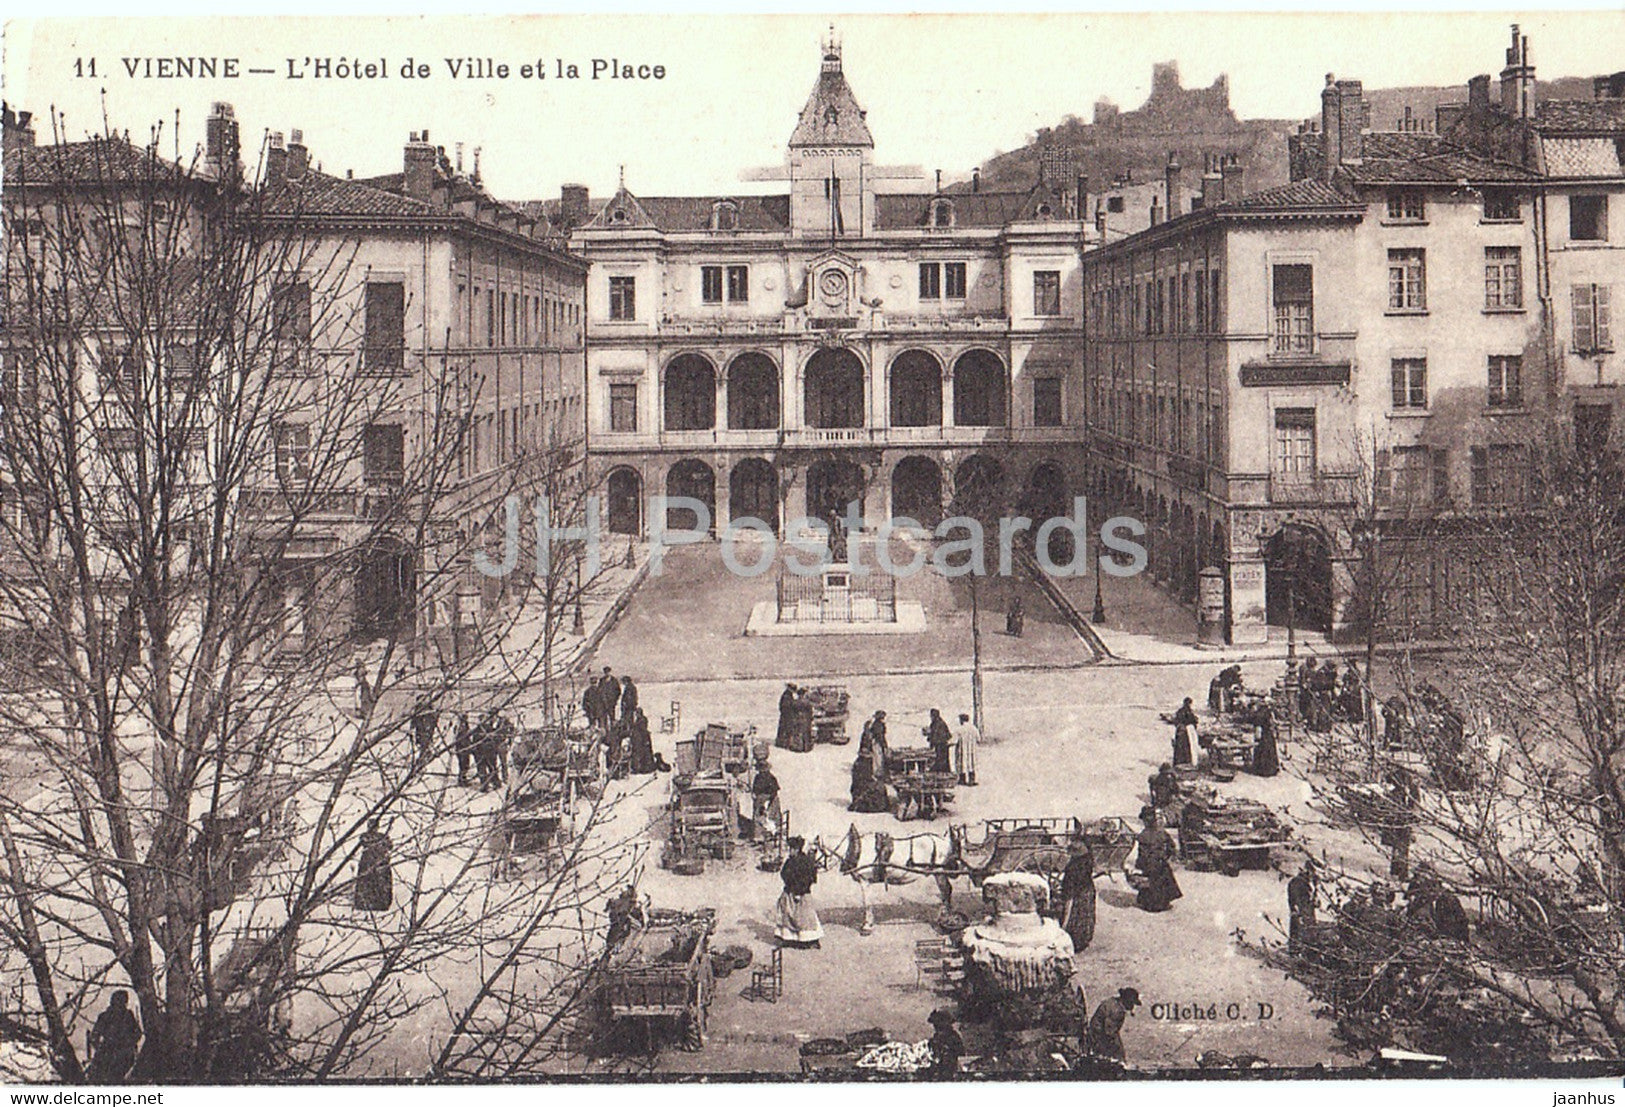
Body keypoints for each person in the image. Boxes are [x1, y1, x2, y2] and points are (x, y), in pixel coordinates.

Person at [1132, 805, 1182, 913]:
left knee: (1150, 883)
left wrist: (1139, 864)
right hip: (1160, 863)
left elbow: (1142, 854)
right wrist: (1166, 856)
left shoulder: (1143, 835)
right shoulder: (1162, 833)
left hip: (1149, 864)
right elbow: (1171, 846)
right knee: (1163, 880)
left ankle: (1150, 903)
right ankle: (1163, 902)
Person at [775, 837, 823, 948]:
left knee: (804, 916)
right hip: (789, 891)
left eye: (792, 849)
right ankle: (789, 939)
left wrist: (799, 892)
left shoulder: (805, 861)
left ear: (797, 849)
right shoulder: (790, 860)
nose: (790, 851)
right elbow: (784, 873)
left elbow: (809, 878)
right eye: (790, 849)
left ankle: (809, 940)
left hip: (802, 892)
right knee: (786, 913)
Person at [87, 990, 141, 1082]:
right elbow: (94, 1037)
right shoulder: (105, 1016)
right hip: (109, 1052)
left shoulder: (128, 1016)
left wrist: (128, 1043)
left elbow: (137, 1033)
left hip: (122, 1053)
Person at [1058, 837, 1098, 953]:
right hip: (1086, 890)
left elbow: (1070, 886)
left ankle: (1073, 938)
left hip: (1078, 893)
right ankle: (1082, 939)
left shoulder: (1074, 866)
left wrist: (1067, 894)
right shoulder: (1088, 858)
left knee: (1075, 914)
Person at [1085, 987, 1140, 1063]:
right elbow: (1110, 1033)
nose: (1132, 1007)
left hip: (1096, 1034)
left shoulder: (1113, 1002)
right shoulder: (1117, 1011)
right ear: (1126, 1002)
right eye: (1131, 1003)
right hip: (1098, 1037)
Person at [355, 819, 393, 910]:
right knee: (367, 882)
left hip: (379, 862)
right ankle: (365, 903)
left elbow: (390, 846)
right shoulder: (365, 836)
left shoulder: (382, 836)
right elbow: (364, 841)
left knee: (379, 883)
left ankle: (380, 903)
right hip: (368, 862)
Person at [1287, 860, 1317, 953]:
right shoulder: (1297, 882)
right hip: (1301, 911)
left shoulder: (1308, 883)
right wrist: (1297, 909)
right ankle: (1296, 950)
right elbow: (1295, 898)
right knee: (1299, 930)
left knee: (1309, 930)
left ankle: (1306, 950)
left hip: (1308, 911)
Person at [751, 758, 782, 844]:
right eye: (761, 769)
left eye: (763, 769)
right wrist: (756, 798)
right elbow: (755, 790)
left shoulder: (771, 778)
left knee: (771, 818)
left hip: (771, 799)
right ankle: (759, 837)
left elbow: (774, 792)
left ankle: (772, 835)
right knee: (758, 817)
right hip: (760, 800)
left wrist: (768, 802)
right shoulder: (757, 777)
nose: (762, 771)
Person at [926, 1009, 964, 1076]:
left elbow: (960, 1054)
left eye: (937, 1023)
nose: (935, 1026)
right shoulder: (935, 1037)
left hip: (950, 1068)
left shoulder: (953, 1037)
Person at [606, 884, 644, 949]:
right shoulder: (619, 902)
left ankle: (614, 945)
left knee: (621, 932)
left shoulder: (632, 903)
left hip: (625, 924)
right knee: (615, 933)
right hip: (618, 923)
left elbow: (639, 918)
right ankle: (612, 946)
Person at [1249, 699, 1280, 777]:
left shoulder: (1260, 713)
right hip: (1268, 733)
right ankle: (1270, 768)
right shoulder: (1267, 712)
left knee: (1264, 750)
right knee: (1269, 750)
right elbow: (1272, 722)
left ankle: (1263, 769)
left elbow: (1258, 725)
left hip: (1264, 733)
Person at [1170, 697, 1199, 767]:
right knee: (1186, 748)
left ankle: (1178, 763)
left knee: (1179, 749)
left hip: (1179, 731)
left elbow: (1175, 721)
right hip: (1185, 732)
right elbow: (1194, 721)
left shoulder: (1180, 711)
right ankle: (1186, 762)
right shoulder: (1188, 711)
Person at [953, 712, 980, 786]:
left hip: (962, 749)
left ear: (961, 720)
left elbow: (954, 740)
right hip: (972, 750)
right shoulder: (974, 728)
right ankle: (972, 779)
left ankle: (962, 779)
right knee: (971, 763)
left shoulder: (959, 729)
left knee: (962, 763)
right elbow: (978, 739)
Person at [409, 699, 438, 766]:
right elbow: (414, 721)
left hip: (426, 730)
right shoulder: (418, 710)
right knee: (424, 744)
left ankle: (423, 758)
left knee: (425, 744)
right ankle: (422, 759)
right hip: (421, 731)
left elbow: (434, 720)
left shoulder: (429, 709)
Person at [627, 708, 656, 774]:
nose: (636, 715)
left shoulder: (642, 720)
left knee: (640, 753)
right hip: (640, 739)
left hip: (641, 739)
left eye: (637, 713)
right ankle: (640, 767)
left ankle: (640, 768)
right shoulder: (640, 720)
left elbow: (642, 730)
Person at [924, 708, 954, 774]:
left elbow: (938, 735)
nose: (930, 717)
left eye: (931, 716)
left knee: (940, 761)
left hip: (941, 746)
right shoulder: (936, 723)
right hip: (940, 746)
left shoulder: (939, 724)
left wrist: (930, 736)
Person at [452, 711, 475, 787]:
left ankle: (462, 779)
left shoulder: (461, 725)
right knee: (463, 764)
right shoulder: (461, 726)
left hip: (462, 748)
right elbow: (462, 738)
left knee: (464, 764)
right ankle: (462, 780)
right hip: (462, 748)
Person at [775, 683, 798, 749]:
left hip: (785, 715)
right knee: (785, 729)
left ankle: (782, 743)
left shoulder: (787, 695)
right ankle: (783, 743)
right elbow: (786, 706)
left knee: (783, 729)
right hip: (786, 715)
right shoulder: (787, 696)